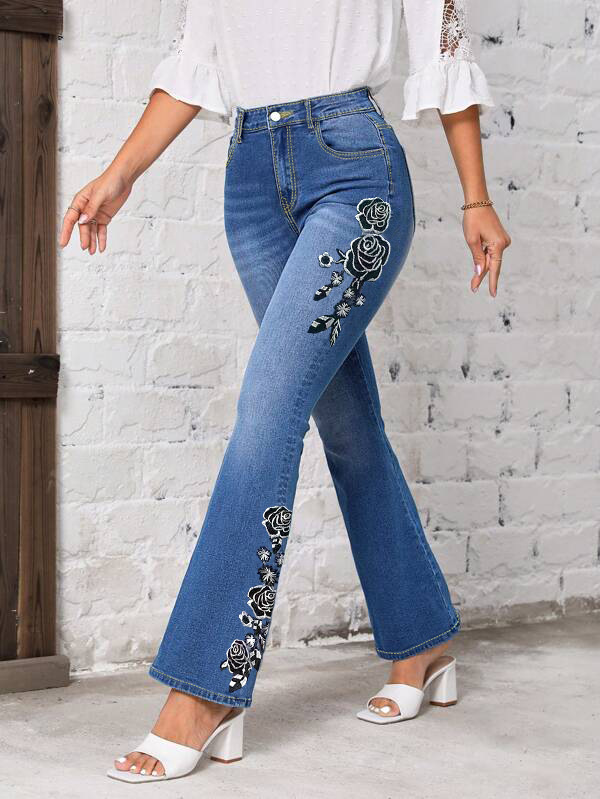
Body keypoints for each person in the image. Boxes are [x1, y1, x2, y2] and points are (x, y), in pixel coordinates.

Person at [59, 0, 511, 785]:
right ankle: (424, 640)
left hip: (355, 171)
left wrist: (476, 196)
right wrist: (119, 173)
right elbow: (195, 64)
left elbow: (442, 39)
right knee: (346, 423)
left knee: (267, 413)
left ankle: (204, 688)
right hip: (250, 183)